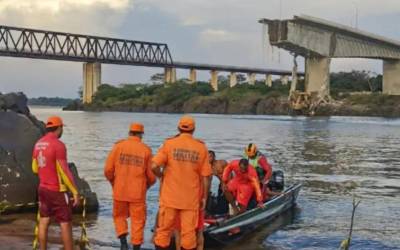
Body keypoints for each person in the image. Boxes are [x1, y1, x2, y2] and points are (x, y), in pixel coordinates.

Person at [152, 115, 212, 250]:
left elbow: (154, 166)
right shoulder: (201, 148)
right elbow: (206, 176)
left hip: (169, 198)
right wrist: (204, 198)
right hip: (190, 200)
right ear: (194, 129)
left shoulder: (169, 144)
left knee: (163, 231)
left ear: (178, 128)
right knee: (189, 234)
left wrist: (161, 176)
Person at [104, 123, 156, 250]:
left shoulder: (118, 147)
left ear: (129, 133)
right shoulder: (146, 150)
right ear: (141, 134)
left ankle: (123, 244)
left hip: (120, 191)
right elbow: (152, 176)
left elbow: (108, 170)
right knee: (137, 221)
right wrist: (147, 186)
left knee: (119, 217)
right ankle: (136, 247)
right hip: (137, 193)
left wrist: (114, 183)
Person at [32, 116, 80, 250]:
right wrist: (75, 192)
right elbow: (64, 171)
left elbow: (34, 168)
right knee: (65, 223)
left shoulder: (38, 143)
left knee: (44, 220)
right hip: (57, 190)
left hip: (42, 188)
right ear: (59, 128)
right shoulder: (58, 145)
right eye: (62, 128)